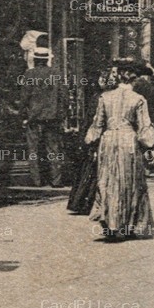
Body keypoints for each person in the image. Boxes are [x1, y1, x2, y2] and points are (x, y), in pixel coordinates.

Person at [86, 59, 154, 241]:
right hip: (128, 141)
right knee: (129, 181)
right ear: (134, 79)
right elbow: (144, 128)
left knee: (108, 180)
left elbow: (97, 125)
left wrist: (92, 143)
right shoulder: (139, 99)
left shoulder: (105, 97)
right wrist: (149, 147)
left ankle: (111, 223)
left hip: (108, 141)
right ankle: (128, 224)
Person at [68, 66, 116, 215]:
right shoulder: (102, 97)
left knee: (93, 169)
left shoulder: (100, 97)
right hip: (101, 136)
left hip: (100, 136)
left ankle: (85, 202)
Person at [21, 45, 68, 187]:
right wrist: (61, 115)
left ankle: (36, 180)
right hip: (52, 118)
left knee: (33, 150)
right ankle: (56, 180)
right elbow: (64, 97)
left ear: (35, 59)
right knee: (53, 149)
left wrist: (23, 115)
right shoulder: (56, 74)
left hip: (34, 118)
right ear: (47, 59)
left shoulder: (29, 74)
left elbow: (24, 98)